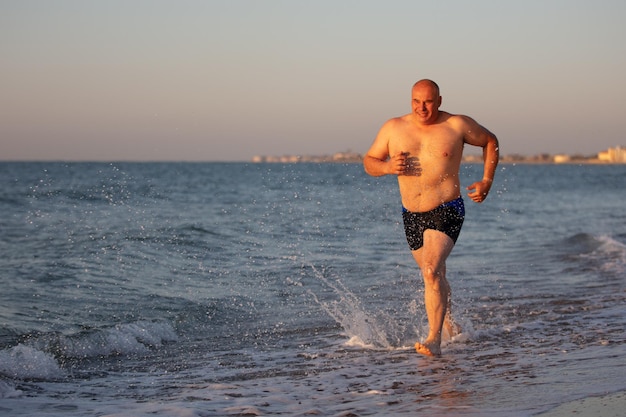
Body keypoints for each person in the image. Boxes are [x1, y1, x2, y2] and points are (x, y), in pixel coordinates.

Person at [363, 79, 499, 357]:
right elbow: (369, 162)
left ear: (439, 100)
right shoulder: (393, 127)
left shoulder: (456, 125)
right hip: (410, 213)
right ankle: (450, 326)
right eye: (416, 101)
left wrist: (487, 181)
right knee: (433, 276)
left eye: (427, 101)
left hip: (447, 208)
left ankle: (434, 341)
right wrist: (388, 167)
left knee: (431, 270)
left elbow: (489, 141)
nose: (421, 108)